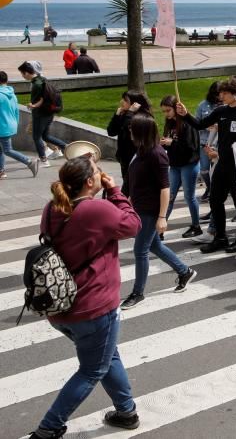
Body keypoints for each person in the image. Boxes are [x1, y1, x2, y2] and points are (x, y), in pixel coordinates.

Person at [27, 156, 143, 439]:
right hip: (93, 307)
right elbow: (133, 225)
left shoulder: (52, 207)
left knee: (106, 356)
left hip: (61, 306)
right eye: (97, 171)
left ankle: (126, 412)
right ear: (90, 182)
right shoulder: (98, 209)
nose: (101, 172)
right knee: (92, 369)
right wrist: (115, 192)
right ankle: (49, 428)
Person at [175, 78, 236, 254]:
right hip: (223, 164)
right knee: (215, 200)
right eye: (220, 92)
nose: (221, 96)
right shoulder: (221, 111)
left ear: (235, 94)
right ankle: (220, 237)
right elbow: (200, 124)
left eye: (224, 93)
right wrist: (185, 114)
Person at [120, 115, 197, 309]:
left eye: (132, 129)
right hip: (139, 207)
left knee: (140, 250)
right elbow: (133, 180)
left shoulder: (157, 154)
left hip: (150, 210)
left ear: (141, 132)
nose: (130, 132)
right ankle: (184, 271)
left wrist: (162, 217)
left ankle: (138, 293)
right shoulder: (141, 150)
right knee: (154, 246)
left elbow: (165, 188)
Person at [160, 95, 203, 239]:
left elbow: (191, 147)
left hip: (188, 164)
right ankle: (160, 228)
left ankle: (196, 226)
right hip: (175, 164)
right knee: (170, 196)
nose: (166, 114)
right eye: (164, 112)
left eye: (168, 111)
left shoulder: (187, 123)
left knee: (189, 197)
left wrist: (171, 143)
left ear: (176, 109)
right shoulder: (170, 123)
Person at [19, 61, 67, 169]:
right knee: (46, 136)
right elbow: (44, 99)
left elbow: (39, 101)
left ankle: (44, 160)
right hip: (49, 113)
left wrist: (32, 105)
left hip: (40, 115)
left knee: (36, 137)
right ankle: (66, 147)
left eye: (22, 74)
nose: (22, 76)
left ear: (27, 73)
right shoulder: (42, 79)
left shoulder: (36, 85)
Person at [106, 90, 152, 193]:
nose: (122, 102)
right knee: (128, 186)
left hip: (136, 158)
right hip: (125, 159)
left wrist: (130, 113)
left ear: (135, 103)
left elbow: (128, 127)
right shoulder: (125, 115)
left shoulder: (142, 117)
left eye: (126, 100)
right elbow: (111, 131)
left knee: (130, 188)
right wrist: (116, 115)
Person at [0, 71, 40, 178]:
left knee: (7, 150)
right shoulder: (11, 94)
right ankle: (1, 171)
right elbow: (15, 110)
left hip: (2, 126)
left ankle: (30, 162)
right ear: (6, 80)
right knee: (2, 149)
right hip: (10, 124)